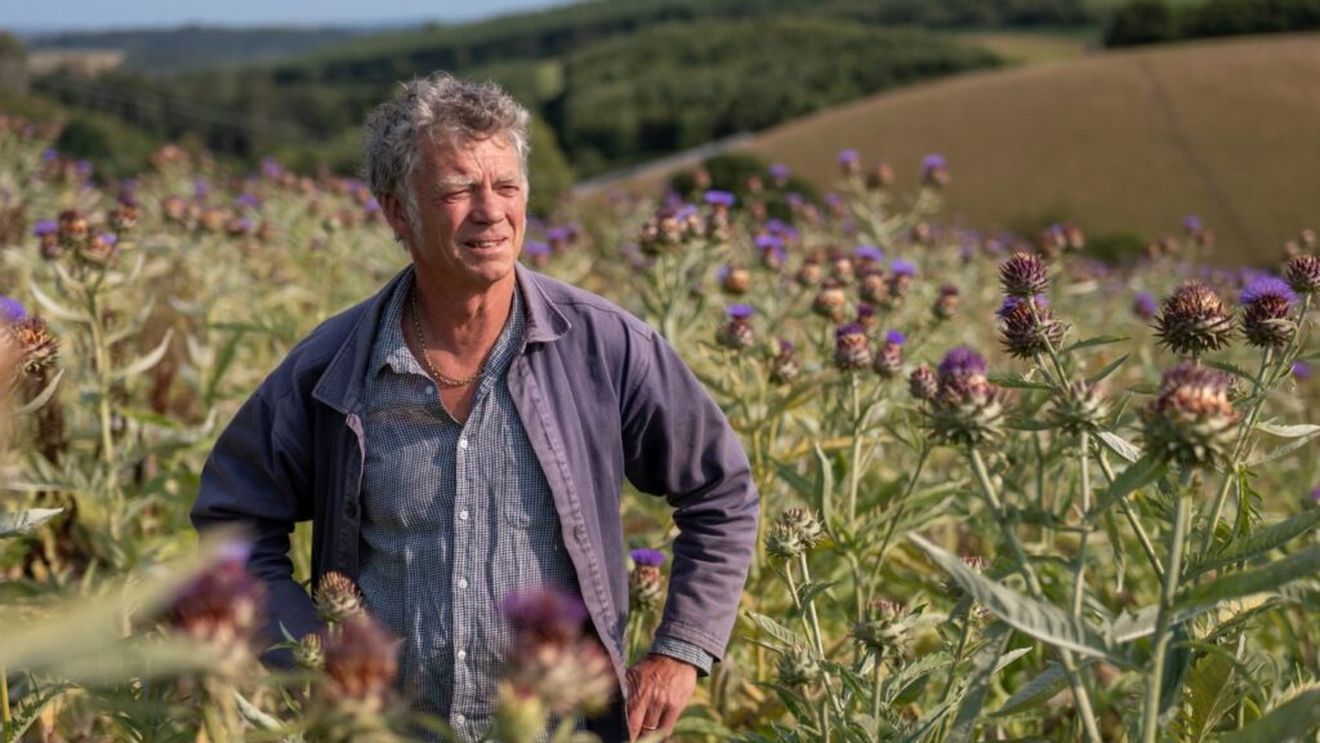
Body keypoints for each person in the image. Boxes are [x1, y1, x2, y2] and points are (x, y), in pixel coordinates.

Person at [191, 73, 759, 742]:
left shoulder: (604, 346)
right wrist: (308, 657)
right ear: (397, 212)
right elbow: (233, 519)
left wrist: (680, 651)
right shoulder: (333, 366)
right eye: (458, 190)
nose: (491, 211)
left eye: (507, 186)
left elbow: (721, 491)